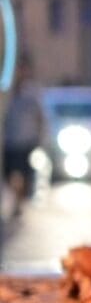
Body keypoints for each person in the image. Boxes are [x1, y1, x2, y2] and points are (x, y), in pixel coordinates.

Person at [3, 58, 44, 215]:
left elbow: (40, 116)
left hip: (26, 140)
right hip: (10, 140)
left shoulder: (32, 92)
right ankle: (16, 199)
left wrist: (39, 137)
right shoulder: (7, 89)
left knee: (22, 174)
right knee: (9, 174)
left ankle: (18, 203)